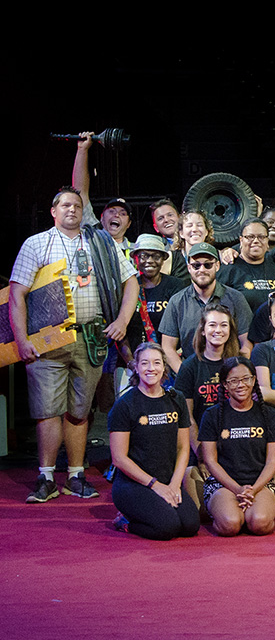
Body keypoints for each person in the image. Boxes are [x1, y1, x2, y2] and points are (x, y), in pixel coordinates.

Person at [11, 181, 139, 504]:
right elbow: (16, 295)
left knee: (80, 410)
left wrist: (122, 321)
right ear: (54, 212)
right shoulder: (36, 244)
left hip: (90, 336)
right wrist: (22, 339)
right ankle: (45, 476)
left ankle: (75, 475)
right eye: (65, 205)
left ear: (83, 212)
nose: (72, 209)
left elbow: (131, 282)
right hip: (48, 339)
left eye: (77, 206)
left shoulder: (102, 243)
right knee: (47, 409)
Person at [107, 342, 199, 539]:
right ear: (136, 367)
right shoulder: (125, 405)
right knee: (167, 527)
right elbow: (119, 459)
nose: (151, 368)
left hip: (168, 480)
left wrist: (174, 485)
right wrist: (155, 486)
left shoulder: (176, 398)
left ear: (164, 367)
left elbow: (183, 448)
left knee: (190, 525)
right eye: (145, 363)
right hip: (133, 485)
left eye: (156, 363)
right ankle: (126, 522)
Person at [198, 357, 275, 536]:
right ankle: (232, 512)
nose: (241, 385)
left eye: (246, 379)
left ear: (254, 380)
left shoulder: (270, 415)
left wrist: (254, 489)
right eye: (234, 381)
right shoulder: (212, 415)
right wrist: (237, 489)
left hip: (260, 483)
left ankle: (250, 511)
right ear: (225, 385)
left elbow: (272, 460)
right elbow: (210, 461)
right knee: (231, 524)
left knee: (260, 523)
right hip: (223, 484)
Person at [175, 302, 240, 505]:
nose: (218, 330)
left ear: (230, 330)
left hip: (233, 445)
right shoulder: (189, 367)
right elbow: (187, 418)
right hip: (200, 447)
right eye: (212, 325)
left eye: (223, 325)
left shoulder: (238, 365)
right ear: (203, 330)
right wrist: (203, 456)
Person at [159, 243, 253, 373]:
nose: (202, 269)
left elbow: (247, 342)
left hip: (229, 374)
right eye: (196, 265)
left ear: (217, 266)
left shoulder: (236, 298)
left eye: (208, 265)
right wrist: (185, 375)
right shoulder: (177, 301)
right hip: (191, 373)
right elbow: (168, 347)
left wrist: (236, 372)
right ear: (189, 268)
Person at [218, 218, 275, 313]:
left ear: (267, 241)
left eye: (261, 237)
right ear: (241, 240)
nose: (256, 241)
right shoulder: (229, 268)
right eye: (250, 237)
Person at [131, 233, 186, 339]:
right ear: (135, 259)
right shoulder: (129, 288)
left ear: (163, 261)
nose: (150, 261)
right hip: (137, 353)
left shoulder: (176, 286)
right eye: (144, 256)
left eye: (156, 257)